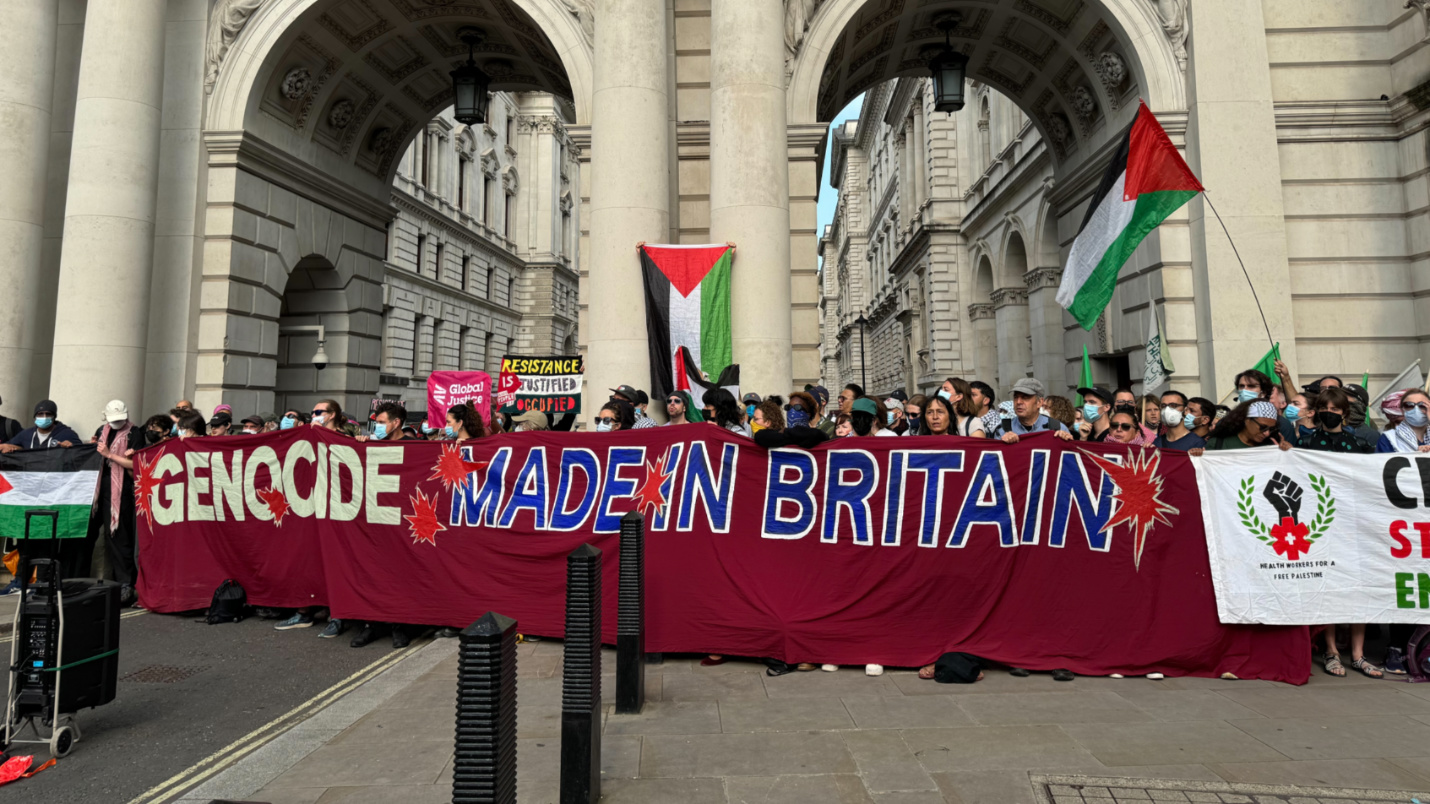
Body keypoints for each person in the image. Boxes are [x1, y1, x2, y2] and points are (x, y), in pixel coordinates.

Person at [82, 401, 145, 604]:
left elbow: (136, 464)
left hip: (122, 490)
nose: (117, 423)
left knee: (118, 537)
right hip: (100, 487)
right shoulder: (102, 430)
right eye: (113, 420)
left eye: (120, 419)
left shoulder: (134, 432)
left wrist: (110, 454)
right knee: (87, 534)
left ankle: (126, 583)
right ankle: (80, 579)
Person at [1191, 400, 1291, 454]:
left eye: (1271, 429)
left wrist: (1288, 453)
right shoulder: (1218, 444)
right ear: (1247, 420)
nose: (1267, 433)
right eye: (1263, 427)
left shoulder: (1272, 448)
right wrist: (1197, 456)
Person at [1295, 386, 1371, 454]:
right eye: (1324, 408)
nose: (1328, 412)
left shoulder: (1360, 444)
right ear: (1318, 411)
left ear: (1344, 413)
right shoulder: (1305, 443)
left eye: (1334, 409)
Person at [996, 379, 1073, 443]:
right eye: (1016, 397)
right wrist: (1003, 445)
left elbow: (1070, 458)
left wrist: (1067, 442)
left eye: (1025, 397)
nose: (1018, 402)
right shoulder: (1003, 429)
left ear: (1039, 402)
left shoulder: (1057, 428)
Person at [0, 400, 81, 453]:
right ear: (35, 416)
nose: (44, 417)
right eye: (40, 414)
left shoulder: (67, 434)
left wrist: (71, 448)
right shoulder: (26, 434)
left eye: (48, 414)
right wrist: (12, 448)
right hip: (31, 477)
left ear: (54, 417)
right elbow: (8, 446)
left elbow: (82, 453)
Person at [1377, 388, 1430, 454]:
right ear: (1402, 410)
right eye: (1409, 405)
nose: (1416, 410)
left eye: (1422, 405)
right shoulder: (1389, 438)